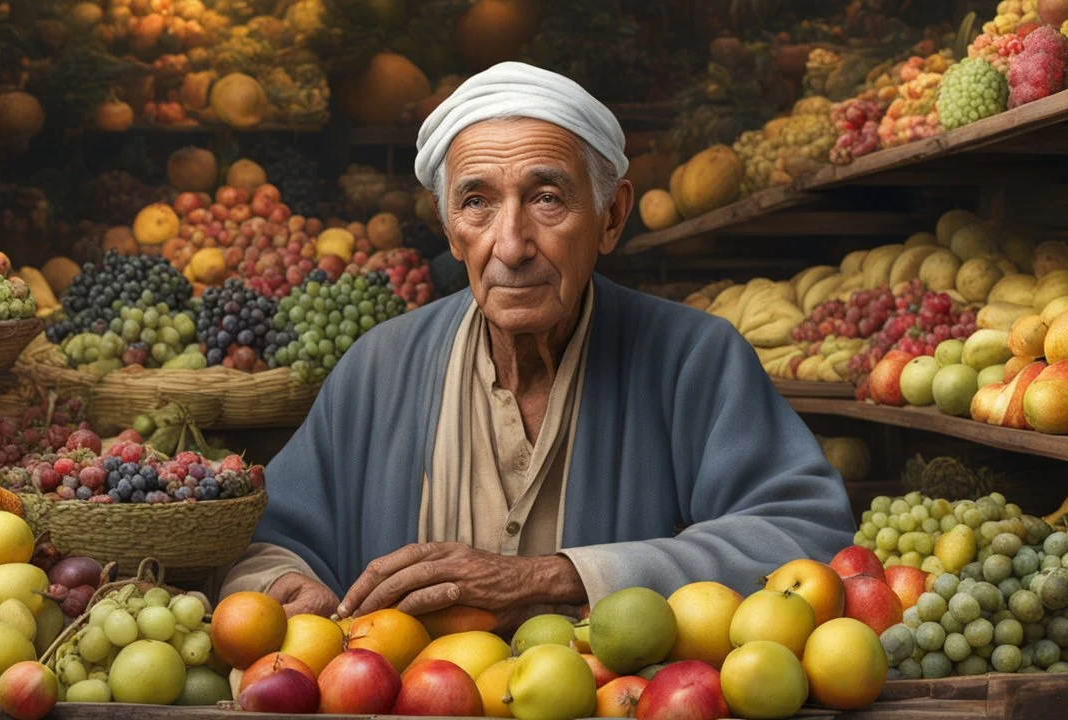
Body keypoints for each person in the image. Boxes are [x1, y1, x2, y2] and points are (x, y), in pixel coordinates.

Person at [220, 62, 855, 627]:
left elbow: (806, 534)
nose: (511, 243)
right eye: (477, 203)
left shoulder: (694, 358)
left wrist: (553, 576)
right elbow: (265, 538)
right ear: (450, 230)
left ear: (611, 217)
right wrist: (280, 584)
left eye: (547, 199)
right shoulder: (380, 368)